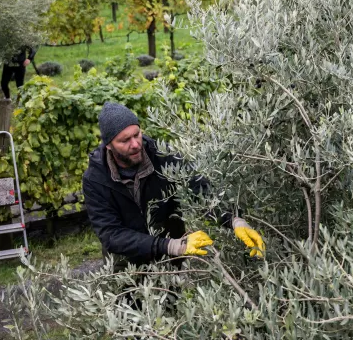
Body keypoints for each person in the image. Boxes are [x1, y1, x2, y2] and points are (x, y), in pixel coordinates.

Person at [83, 102, 265, 266]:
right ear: (108, 145)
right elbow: (111, 234)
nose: (136, 144)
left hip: (171, 259)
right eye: (125, 140)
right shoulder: (95, 179)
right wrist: (169, 245)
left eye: (137, 135)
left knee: (171, 302)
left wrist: (233, 220)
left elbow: (199, 189)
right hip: (127, 265)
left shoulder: (163, 157)